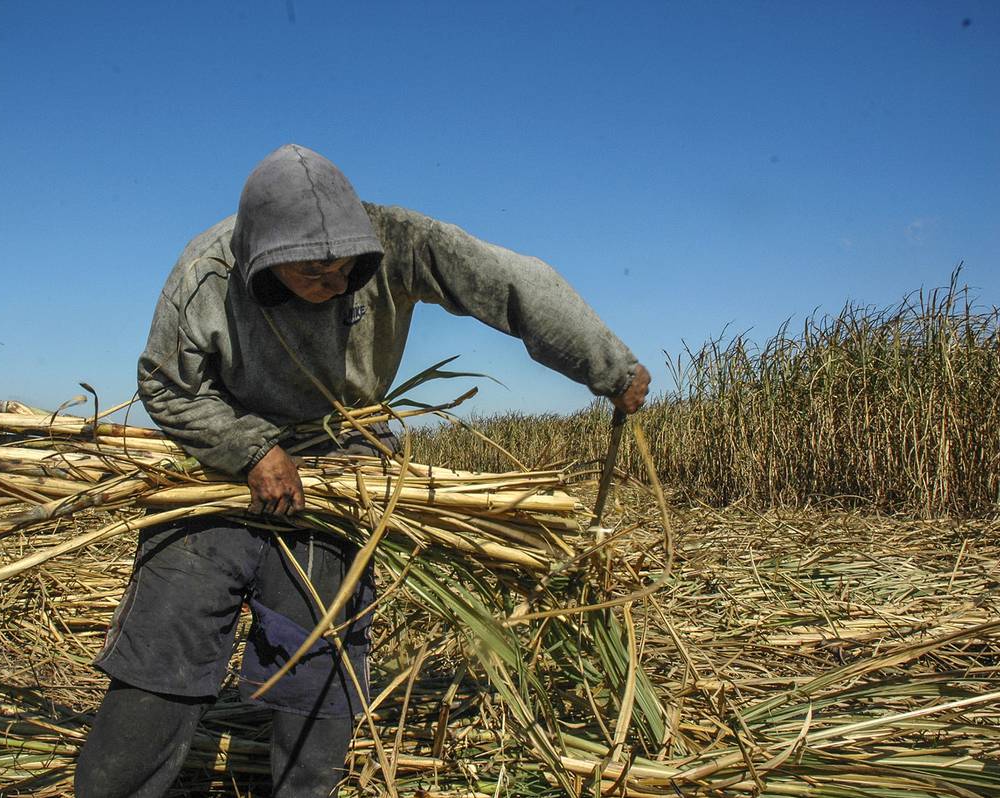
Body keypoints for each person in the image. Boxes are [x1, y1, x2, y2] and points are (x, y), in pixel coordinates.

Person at [74, 144, 651, 798]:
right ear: (265, 259)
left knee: (314, 667)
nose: (335, 286)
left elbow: (509, 282)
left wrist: (610, 366)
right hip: (219, 462)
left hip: (342, 464)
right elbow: (166, 384)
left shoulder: (395, 241)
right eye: (313, 275)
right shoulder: (210, 269)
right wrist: (250, 449)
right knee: (162, 655)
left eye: (347, 269)